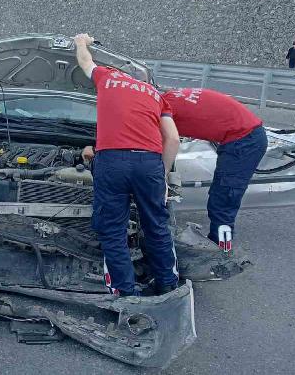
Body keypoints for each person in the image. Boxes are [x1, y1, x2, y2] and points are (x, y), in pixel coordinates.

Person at [74, 33, 180, 297]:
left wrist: (80, 41)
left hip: (113, 161)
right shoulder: (155, 94)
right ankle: (167, 284)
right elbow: (173, 139)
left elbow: (85, 61)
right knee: (156, 225)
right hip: (149, 162)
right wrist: (162, 175)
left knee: (113, 229)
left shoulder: (108, 78)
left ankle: (124, 291)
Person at [161, 88, 267, 246]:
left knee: (223, 200)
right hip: (244, 134)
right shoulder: (169, 96)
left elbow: (170, 142)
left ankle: (222, 252)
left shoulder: (158, 110)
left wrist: (161, 175)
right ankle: (218, 245)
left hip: (244, 140)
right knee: (221, 196)